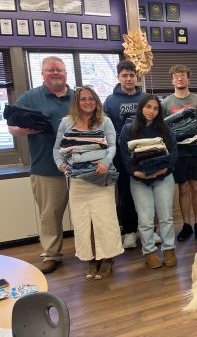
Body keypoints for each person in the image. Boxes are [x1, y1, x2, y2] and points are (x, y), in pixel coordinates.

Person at [8, 56, 74, 274]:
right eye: (51, 70)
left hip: (81, 167)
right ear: (43, 73)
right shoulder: (30, 97)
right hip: (46, 167)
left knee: (84, 211)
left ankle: (89, 251)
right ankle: (52, 255)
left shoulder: (78, 97)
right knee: (49, 214)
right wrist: (25, 130)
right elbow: (13, 126)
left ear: (66, 73)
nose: (56, 73)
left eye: (60, 70)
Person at [53, 86, 123, 280]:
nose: (87, 102)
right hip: (78, 182)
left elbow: (111, 147)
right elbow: (57, 149)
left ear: (96, 101)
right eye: (83, 99)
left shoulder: (105, 121)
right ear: (77, 101)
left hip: (101, 179)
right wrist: (61, 165)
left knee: (105, 220)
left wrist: (105, 162)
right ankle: (91, 259)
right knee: (83, 222)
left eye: (91, 99)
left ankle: (108, 258)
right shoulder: (66, 122)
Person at [119, 95, 179, 269]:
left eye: (155, 108)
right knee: (145, 219)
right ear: (141, 108)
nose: (151, 111)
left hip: (163, 177)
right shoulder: (128, 130)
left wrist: (163, 170)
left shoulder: (165, 129)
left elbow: (174, 154)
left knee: (166, 216)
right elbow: (125, 157)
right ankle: (149, 252)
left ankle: (169, 249)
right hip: (139, 180)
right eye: (148, 107)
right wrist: (138, 173)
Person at [161, 65, 197, 241]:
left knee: (196, 188)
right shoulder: (165, 104)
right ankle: (186, 225)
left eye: (183, 76)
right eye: (176, 76)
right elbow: (163, 129)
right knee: (183, 189)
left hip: (196, 151)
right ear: (172, 80)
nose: (180, 79)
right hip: (178, 153)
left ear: (189, 79)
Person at [103, 60, 144, 249]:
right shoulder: (110, 101)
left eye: (132, 75)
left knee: (145, 192)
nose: (129, 79)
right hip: (122, 156)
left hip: (145, 153)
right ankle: (129, 231)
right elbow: (106, 130)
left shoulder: (145, 98)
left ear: (137, 76)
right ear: (118, 77)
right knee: (126, 194)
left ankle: (147, 229)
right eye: (124, 75)